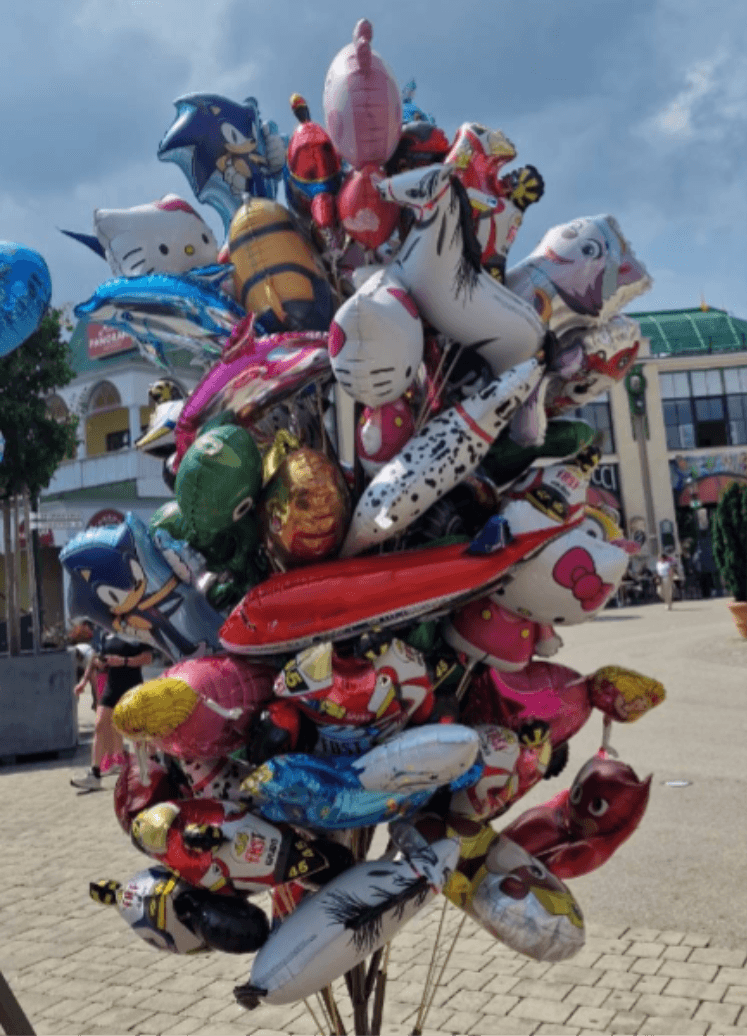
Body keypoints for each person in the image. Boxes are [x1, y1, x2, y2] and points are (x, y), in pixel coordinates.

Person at [70, 632, 153, 793]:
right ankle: (95, 774)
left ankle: (147, 772)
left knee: (138, 732)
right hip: (111, 686)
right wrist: (90, 674)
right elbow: (96, 657)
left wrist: (124, 661)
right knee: (100, 725)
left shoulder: (135, 630)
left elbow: (148, 658)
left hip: (132, 686)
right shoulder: (106, 633)